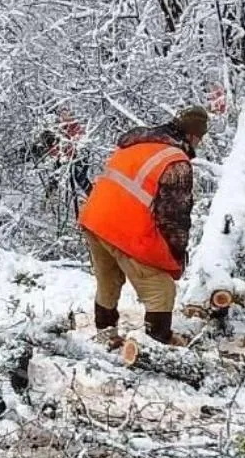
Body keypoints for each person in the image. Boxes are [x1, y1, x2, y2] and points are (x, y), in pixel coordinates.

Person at [78, 105, 208, 345]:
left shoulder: (136, 144)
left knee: (108, 280)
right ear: (193, 136)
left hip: (94, 219)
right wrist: (176, 258)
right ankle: (156, 344)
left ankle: (105, 334)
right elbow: (174, 219)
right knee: (160, 289)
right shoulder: (176, 163)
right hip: (124, 228)